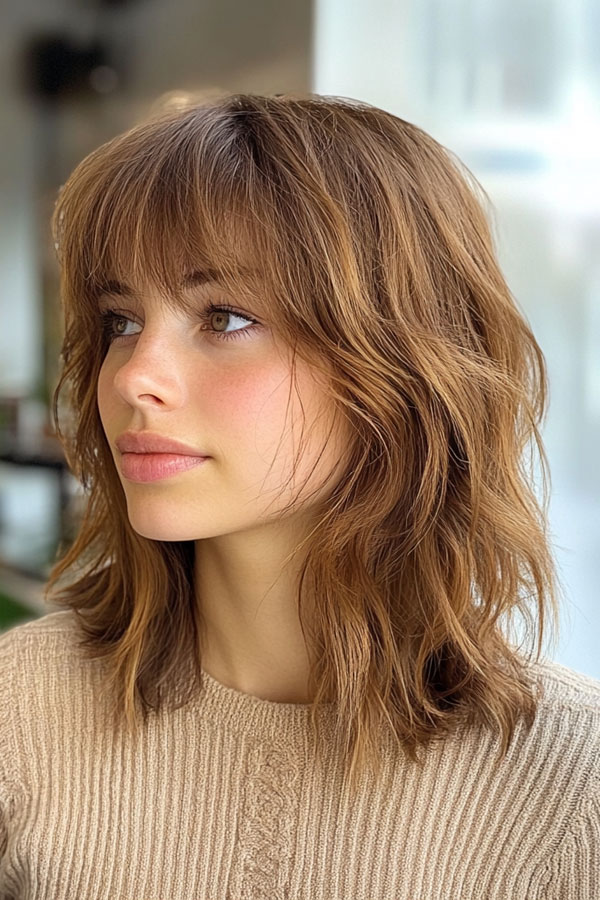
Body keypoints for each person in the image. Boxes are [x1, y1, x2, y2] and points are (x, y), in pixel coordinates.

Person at [0, 91, 598, 899]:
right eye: (120, 320)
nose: (135, 376)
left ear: (401, 367)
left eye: (227, 317)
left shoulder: (570, 788)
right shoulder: (17, 715)